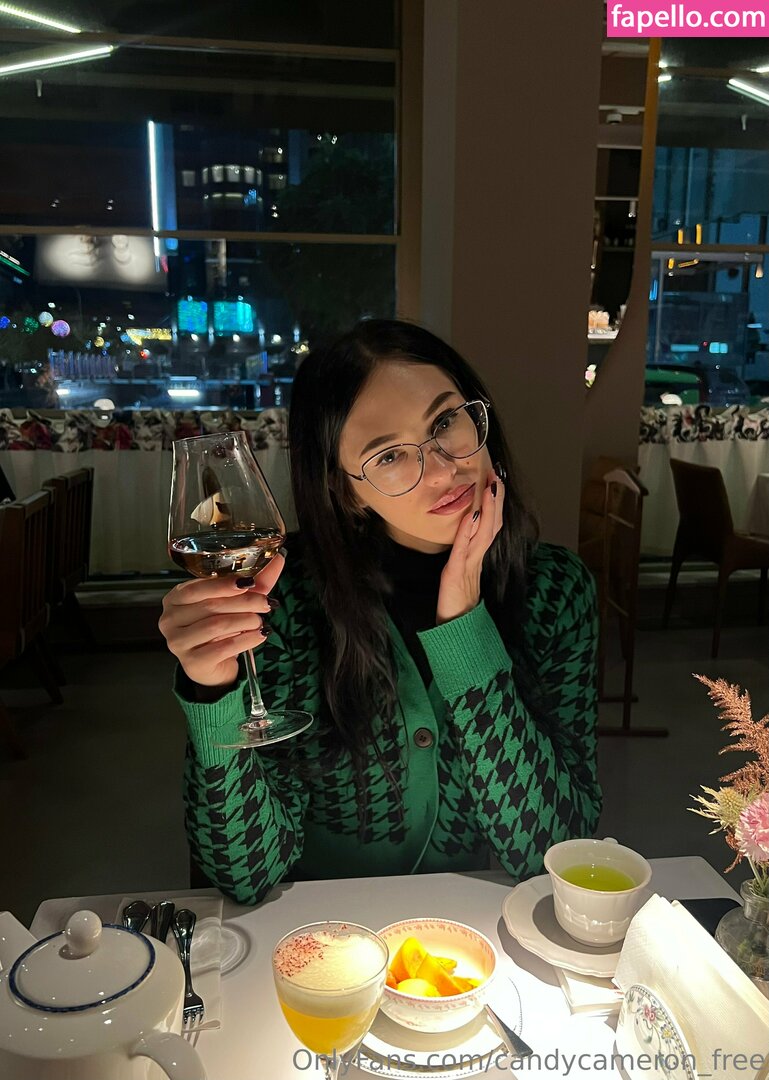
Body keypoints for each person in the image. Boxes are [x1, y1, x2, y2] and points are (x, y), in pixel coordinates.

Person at [159, 319, 601, 904]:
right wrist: (214, 694)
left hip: (462, 935)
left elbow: (557, 853)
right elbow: (246, 873)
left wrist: (464, 623)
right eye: (389, 455)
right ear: (344, 491)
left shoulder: (556, 590)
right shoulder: (280, 604)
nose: (443, 469)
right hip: (316, 936)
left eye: (445, 422)